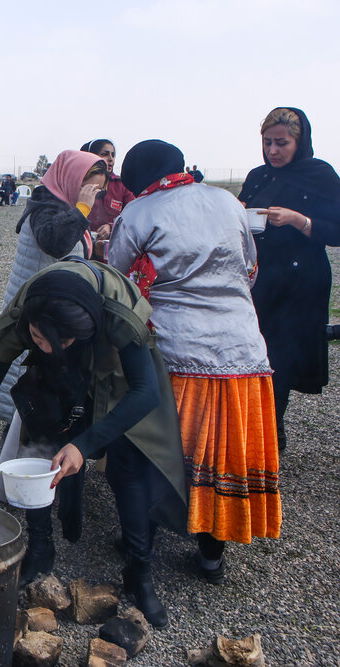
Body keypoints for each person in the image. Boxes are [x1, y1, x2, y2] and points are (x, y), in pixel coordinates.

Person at [0, 260, 188, 629]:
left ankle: (139, 571)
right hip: (58, 366)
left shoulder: (118, 314)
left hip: (114, 369)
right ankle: (40, 547)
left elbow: (146, 393)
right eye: (37, 339)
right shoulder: (26, 314)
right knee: (40, 446)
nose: (49, 349)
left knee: (131, 465)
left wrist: (85, 444)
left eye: (61, 342)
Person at [110, 139, 280, 586]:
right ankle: (211, 552)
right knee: (222, 453)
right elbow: (250, 269)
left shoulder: (140, 212)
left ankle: (141, 538)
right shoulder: (227, 201)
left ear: (138, 178)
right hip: (242, 350)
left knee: (161, 449)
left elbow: (119, 277)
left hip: (178, 355)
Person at [238, 107, 340, 451]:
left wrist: (300, 220)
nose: (273, 151)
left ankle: (270, 435)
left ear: (300, 141)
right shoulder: (257, 175)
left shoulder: (320, 174)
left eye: (281, 143)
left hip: (300, 283)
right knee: (255, 355)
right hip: (259, 279)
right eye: (267, 143)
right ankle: (263, 429)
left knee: (281, 359)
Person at [0, 150, 105, 427]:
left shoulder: (61, 204)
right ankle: (23, 432)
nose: (93, 196)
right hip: (34, 309)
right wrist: (83, 209)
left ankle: (31, 429)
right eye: (90, 189)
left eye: (98, 192)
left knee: (35, 370)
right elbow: (56, 242)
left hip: (44, 305)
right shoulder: (47, 207)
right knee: (26, 370)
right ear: (73, 180)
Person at [79, 139, 135, 237]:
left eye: (113, 155)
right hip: (81, 240)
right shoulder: (77, 181)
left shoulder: (122, 185)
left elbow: (132, 217)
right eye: (105, 154)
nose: (110, 159)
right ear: (90, 155)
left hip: (110, 244)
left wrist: (111, 227)